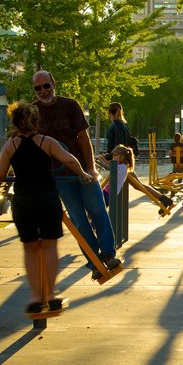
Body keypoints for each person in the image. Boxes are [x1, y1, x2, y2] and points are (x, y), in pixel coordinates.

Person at [0, 101, 97, 316]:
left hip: (23, 201)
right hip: (47, 198)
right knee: (49, 248)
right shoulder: (46, 141)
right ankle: (50, 296)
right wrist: (85, 174)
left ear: (15, 123)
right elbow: (69, 160)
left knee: (31, 249)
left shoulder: (10, 145)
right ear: (35, 121)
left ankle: (35, 298)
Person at [31, 70, 121, 280]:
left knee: (98, 209)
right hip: (59, 176)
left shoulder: (69, 105)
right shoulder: (32, 111)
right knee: (78, 220)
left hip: (81, 170)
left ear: (54, 84)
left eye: (46, 86)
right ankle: (93, 260)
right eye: (38, 88)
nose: (43, 91)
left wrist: (90, 168)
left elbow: (83, 138)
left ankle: (108, 253)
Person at [100, 145, 174, 217]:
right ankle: (163, 198)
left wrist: (104, 158)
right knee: (138, 185)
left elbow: (112, 162)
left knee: (139, 185)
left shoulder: (119, 151)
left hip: (122, 162)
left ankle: (163, 199)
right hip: (122, 161)